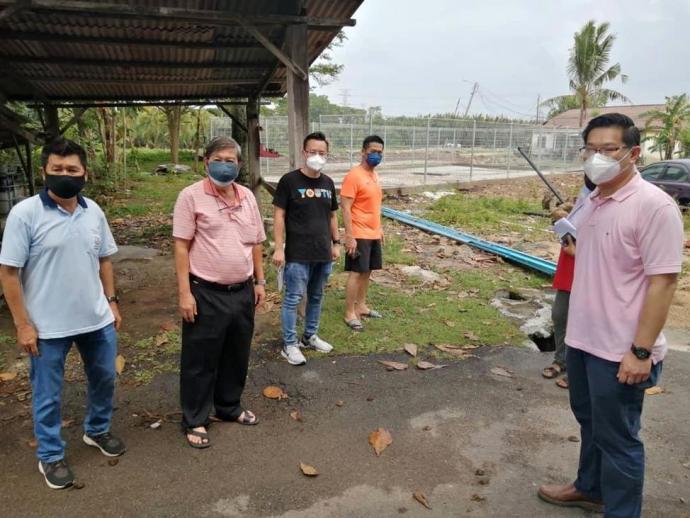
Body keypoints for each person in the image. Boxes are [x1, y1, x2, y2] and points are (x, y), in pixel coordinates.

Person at [538, 114, 684, 517]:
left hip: (620, 348)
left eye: (608, 149)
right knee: (590, 421)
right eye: (590, 149)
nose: (596, 157)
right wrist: (569, 240)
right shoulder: (595, 199)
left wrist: (640, 350)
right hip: (583, 340)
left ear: (633, 154)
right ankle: (590, 487)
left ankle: (621, 510)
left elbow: (663, 283)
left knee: (619, 437)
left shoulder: (654, 207)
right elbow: (593, 254)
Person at [0, 138, 125, 490]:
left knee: (104, 379)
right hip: (46, 326)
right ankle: (51, 455)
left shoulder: (93, 211)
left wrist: (112, 301)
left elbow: (104, 259)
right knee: (48, 394)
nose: (65, 175)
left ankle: (97, 430)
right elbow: (9, 272)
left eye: (72, 169)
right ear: (45, 172)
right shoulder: (25, 214)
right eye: (57, 169)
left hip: (96, 319)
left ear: (84, 172)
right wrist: (23, 324)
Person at [172, 136, 266, 449]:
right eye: (218, 159)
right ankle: (196, 418)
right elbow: (181, 245)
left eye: (231, 160)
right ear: (206, 162)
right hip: (205, 292)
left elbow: (255, 242)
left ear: (239, 165)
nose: (224, 165)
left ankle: (228, 407)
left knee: (236, 354)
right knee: (200, 359)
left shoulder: (248, 197)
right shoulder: (190, 197)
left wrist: (260, 281)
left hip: (242, 291)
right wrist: (185, 293)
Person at [272, 132, 340, 366]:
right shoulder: (290, 181)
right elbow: (279, 215)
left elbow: (332, 216)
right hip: (297, 253)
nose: (317, 156)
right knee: (293, 298)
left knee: (317, 296)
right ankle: (290, 344)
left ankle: (310, 336)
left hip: (323, 253)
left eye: (322, 153)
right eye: (313, 152)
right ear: (304, 152)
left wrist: (336, 243)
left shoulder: (328, 183)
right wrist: (279, 248)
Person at [542, 175, 596, 390]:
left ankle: (579, 372)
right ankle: (561, 360)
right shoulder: (585, 197)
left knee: (585, 322)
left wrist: (579, 250)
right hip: (569, 269)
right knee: (560, 315)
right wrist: (561, 217)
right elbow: (564, 218)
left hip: (591, 272)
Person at [341, 135, 385, 332]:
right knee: (356, 273)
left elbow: (375, 205)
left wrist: (380, 228)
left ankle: (362, 306)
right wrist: (349, 236)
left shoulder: (374, 175)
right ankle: (350, 312)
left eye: (380, 152)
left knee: (368, 271)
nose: (376, 155)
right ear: (363, 152)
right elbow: (345, 207)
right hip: (359, 233)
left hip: (373, 232)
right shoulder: (354, 175)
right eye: (373, 151)